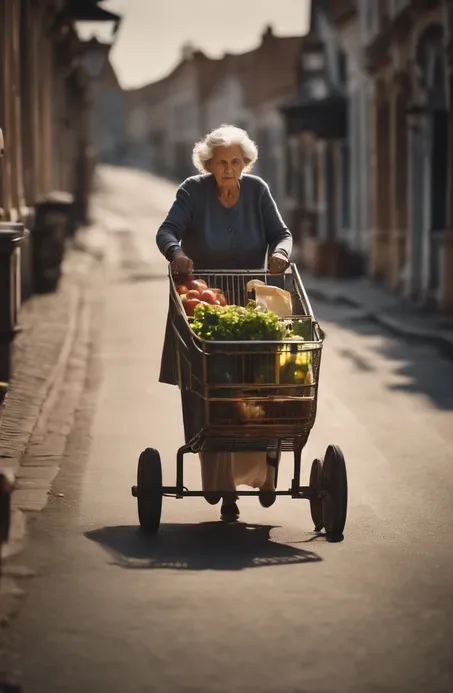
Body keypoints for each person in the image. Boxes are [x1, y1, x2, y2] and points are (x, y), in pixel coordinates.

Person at [156, 124, 292, 522]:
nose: (229, 169)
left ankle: (265, 473)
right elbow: (167, 230)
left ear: (245, 163)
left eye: (236, 162)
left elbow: (281, 234)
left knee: (261, 388)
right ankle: (223, 487)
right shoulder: (192, 191)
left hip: (252, 307)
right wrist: (176, 252)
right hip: (202, 307)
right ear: (209, 164)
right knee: (213, 394)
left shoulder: (258, 191)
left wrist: (280, 255)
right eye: (221, 163)